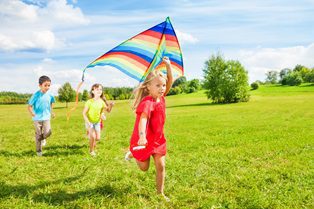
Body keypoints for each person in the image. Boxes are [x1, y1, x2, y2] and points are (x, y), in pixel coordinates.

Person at [125, 57, 173, 201]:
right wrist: (141, 136)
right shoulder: (147, 102)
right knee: (144, 168)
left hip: (158, 140)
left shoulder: (162, 97)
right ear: (148, 88)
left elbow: (170, 80)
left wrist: (168, 66)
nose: (162, 88)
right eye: (158, 85)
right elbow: (143, 119)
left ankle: (160, 193)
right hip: (144, 140)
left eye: (163, 85)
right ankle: (134, 153)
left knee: (161, 166)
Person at [27, 75, 55, 156]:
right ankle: (39, 151)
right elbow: (29, 106)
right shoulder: (35, 95)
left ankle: (43, 138)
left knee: (48, 132)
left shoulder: (50, 95)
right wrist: (32, 112)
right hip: (37, 118)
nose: (47, 87)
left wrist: (52, 111)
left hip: (46, 117)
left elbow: (52, 102)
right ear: (40, 85)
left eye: (49, 85)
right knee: (38, 134)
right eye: (45, 85)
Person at [82, 84, 113, 156]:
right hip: (89, 122)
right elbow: (83, 113)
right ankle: (91, 151)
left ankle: (91, 138)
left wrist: (111, 105)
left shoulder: (101, 102)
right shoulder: (89, 102)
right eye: (97, 89)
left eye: (100, 89)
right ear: (93, 91)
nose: (99, 91)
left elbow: (108, 110)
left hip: (97, 122)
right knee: (93, 136)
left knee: (98, 138)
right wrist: (88, 122)